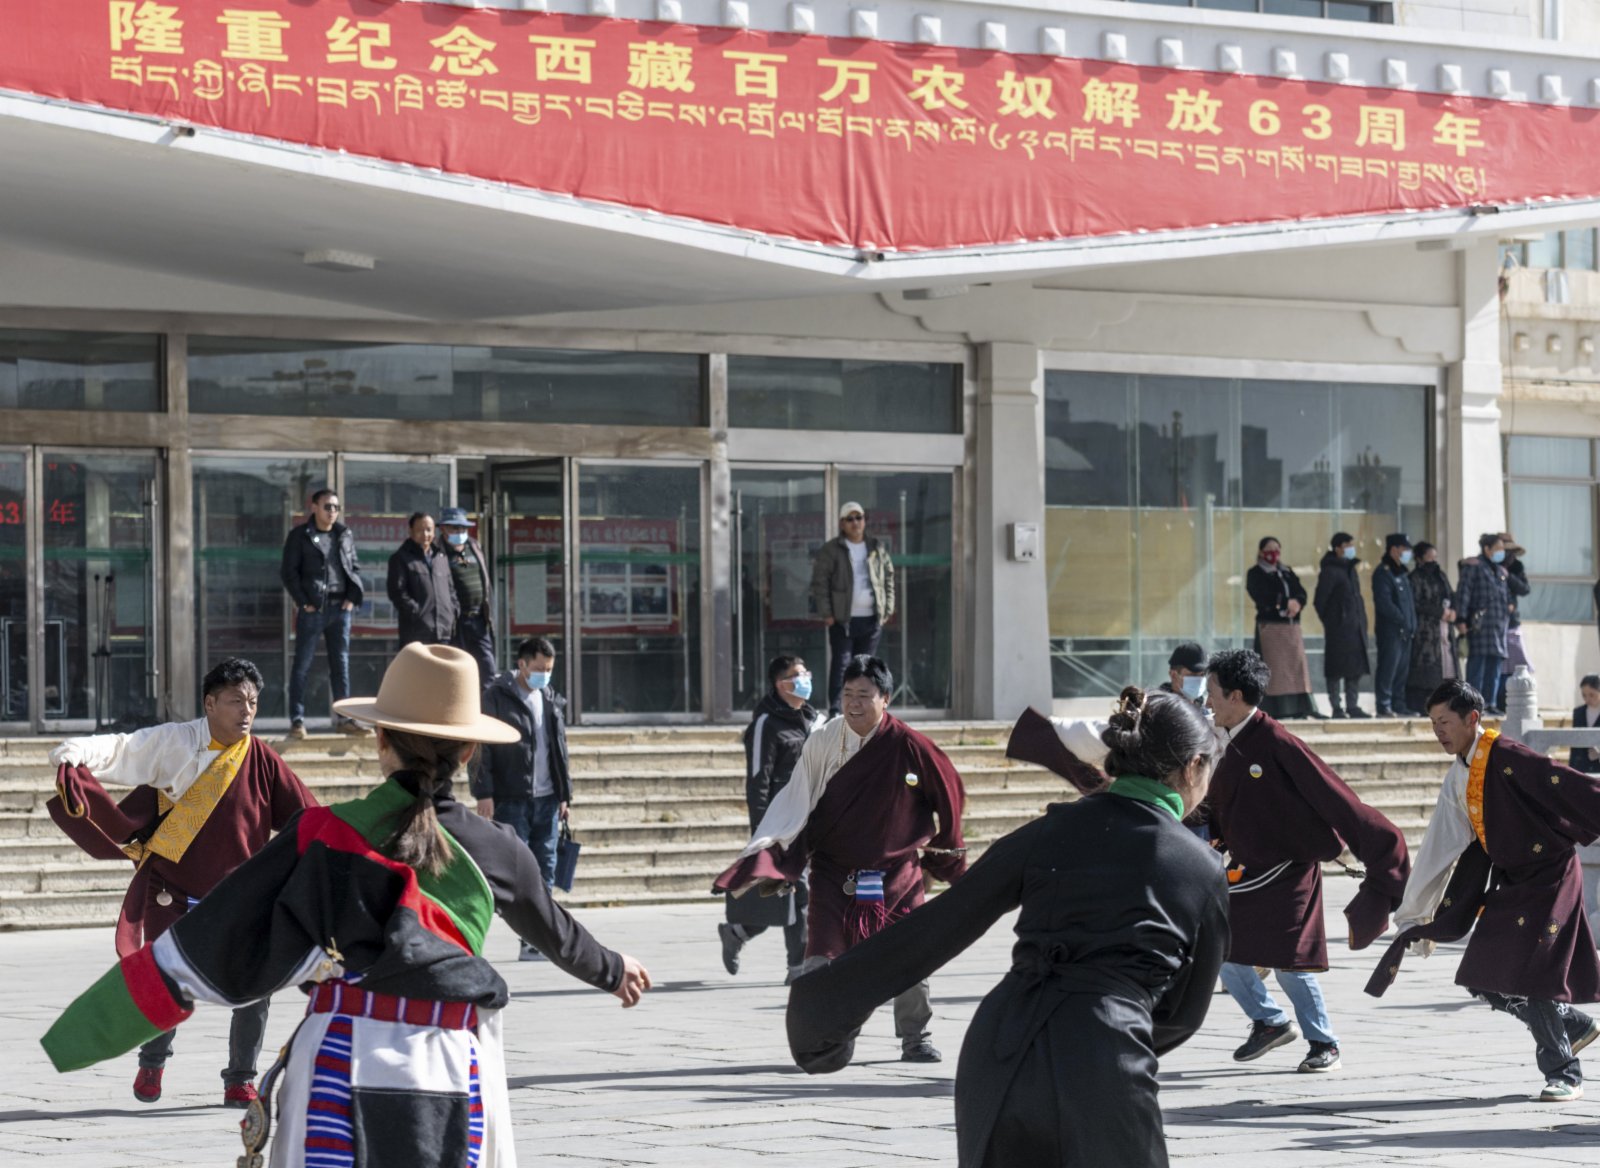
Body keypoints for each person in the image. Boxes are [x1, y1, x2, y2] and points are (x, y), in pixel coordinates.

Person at [42, 643, 652, 1167]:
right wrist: (614, 968)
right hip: (459, 1061)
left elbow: (206, 944)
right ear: (468, 753)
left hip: (335, 1059)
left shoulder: (324, 833)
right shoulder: (503, 852)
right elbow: (559, 935)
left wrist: (80, 1035)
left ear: (381, 740)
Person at [787, 687, 1228, 1167]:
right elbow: (1183, 1013)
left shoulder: (1048, 831)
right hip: (1106, 1054)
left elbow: (937, 927)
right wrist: (1100, 1029)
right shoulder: (1201, 868)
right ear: (1192, 767)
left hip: (999, 1045)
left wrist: (823, 1009)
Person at [44, 658, 315, 1107]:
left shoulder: (262, 758)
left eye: (252, 702)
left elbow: (305, 816)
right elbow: (123, 749)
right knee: (166, 979)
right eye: (234, 701)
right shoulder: (175, 742)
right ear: (209, 703)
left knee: (254, 987)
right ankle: (152, 1065)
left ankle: (240, 1079)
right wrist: (75, 752)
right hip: (172, 888)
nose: (246, 711)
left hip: (238, 893)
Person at [713, 655, 964, 1062]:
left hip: (896, 872)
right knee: (820, 958)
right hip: (835, 872)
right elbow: (797, 798)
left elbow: (948, 795)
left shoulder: (910, 746)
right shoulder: (825, 739)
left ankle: (915, 1037)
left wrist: (944, 856)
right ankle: (818, 1036)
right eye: (848, 694)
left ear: (886, 697)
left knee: (912, 958)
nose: (854, 703)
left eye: (864, 695)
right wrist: (774, 853)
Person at [1368, 680, 1600, 1102]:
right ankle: (1573, 1023)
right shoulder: (1459, 775)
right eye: (1433, 723)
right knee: (1482, 976)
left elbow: (1564, 784)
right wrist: (1415, 912)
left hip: (1551, 874)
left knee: (1536, 975)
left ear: (1472, 719)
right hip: (1512, 880)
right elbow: (1441, 843)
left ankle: (1564, 1070)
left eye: (1445, 722)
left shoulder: (1509, 757)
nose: (1439, 731)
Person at [1204, 648, 1409, 1073]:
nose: (1207, 702)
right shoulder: (1224, 741)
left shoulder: (1277, 741)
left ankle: (1324, 1042)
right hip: (1246, 869)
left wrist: (1379, 848)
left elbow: (1335, 798)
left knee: (1289, 961)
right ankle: (1269, 1021)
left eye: (1212, 693)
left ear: (1237, 696)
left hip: (1290, 869)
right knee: (1221, 947)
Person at [720, 655, 824, 983]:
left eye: (806, 672)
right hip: (784, 824)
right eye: (797, 675)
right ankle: (799, 969)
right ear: (782, 684)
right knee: (798, 891)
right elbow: (757, 779)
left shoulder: (814, 719)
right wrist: (763, 832)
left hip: (815, 820)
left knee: (781, 895)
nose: (805, 678)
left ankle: (737, 932)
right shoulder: (766, 723)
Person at [474, 637, 571, 961]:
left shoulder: (551, 698)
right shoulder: (497, 697)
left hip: (547, 798)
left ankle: (536, 939)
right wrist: (483, 792)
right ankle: (521, 932)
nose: (545, 675)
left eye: (549, 670)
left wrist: (564, 794)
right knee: (517, 870)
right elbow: (481, 747)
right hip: (511, 797)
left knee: (546, 868)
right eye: (540, 669)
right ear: (523, 665)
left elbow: (560, 750)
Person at [280, 488, 367, 738]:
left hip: (341, 610)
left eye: (336, 507)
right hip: (313, 610)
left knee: (341, 665)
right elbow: (289, 572)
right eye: (327, 506)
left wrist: (351, 599)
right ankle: (297, 721)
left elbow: (354, 567)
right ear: (314, 507)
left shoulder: (344, 534)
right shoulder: (300, 536)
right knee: (302, 666)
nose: (332, 512)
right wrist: (303, 601)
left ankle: (345, 719)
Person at [810, 502, 895, 717]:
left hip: (871, 618)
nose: (855, 522)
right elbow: (820, 583)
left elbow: (888, 578)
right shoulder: (831, 550)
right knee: (842, 665)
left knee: (866, 668)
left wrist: (887, 609)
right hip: (842, 619)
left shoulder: (876, 547)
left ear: (864, 520)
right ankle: (837, 710)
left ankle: (866, 709)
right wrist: (827, 613)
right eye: (850, 519)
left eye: (859, 517)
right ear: (842, 524)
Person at [1246, 536, 1317, 720]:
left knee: (1295, 669)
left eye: (1277, 549)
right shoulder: (1255, 573)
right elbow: (1262, 595)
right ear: (1261, 552)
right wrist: (1284, 602)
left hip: (1290, 627)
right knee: (1274, 671)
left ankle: (1300, 707)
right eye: (1269, 549)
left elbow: (1301, 592)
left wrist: (1297, 603)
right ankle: (1276, 709)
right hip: (1270, 628)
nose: (1274, 553)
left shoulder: (1286, 571)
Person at [438, 506, 497, 689]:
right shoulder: (438, 551)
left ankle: (488, 708)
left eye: (463, 528)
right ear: (443, 529)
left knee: (487, 667)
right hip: (457, 621)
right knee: (458, 668)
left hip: (479, 617)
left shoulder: (474, 546)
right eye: (455, 528)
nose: (459, 532)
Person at [1314, 532, 1371, 719]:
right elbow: (1320, 601)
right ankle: (1336, 707)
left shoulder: (1350, 570)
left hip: (1355, 627)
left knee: (1354, 669)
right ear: (1338, 548)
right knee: (1336, 669)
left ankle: (1352, 706)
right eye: (1348, 545)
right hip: (1338, 629)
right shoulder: (1330, 571)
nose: (1351, 549)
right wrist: (1333, 621)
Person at [1456, 532, 1514, 716]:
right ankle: (1473, 704)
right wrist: (1461, 619)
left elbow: (1506, 596)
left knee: (1495, 666)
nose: (1501, 553)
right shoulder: (1474, 567)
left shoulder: (1499, 571)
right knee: (1477, 666)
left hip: (1498, 627)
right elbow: (1463, 593)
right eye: (1498, 549)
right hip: (1479, 626)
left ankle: (1490, 702)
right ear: (1487, 549)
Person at [387, 511, 457, 648]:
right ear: (410, 531)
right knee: (417, 669)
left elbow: (451, 590)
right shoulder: (401, 558)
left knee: (441, 669)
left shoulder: (440, 557)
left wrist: (453, 611)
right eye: (420, 530)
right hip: (416, 632)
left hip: (443, 631)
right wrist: (416, 612)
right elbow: (397, 592)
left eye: (429, 530)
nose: (425, 534)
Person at [1405, 541, 1459, 716]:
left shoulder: (1441, 575)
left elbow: (1451, 594)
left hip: (1444, 628)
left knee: (1447, 667)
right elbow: (1416, 603)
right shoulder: (1415, 577)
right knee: (1426, 669)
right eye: (1429, 557)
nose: (1433, 561)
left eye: (1435, 557)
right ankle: (1423, 706)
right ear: (1420, 558)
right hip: (1426, 630)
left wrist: (1453, 612)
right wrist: (1438, 611)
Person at [1371, 532, 1419, 717]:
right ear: (1394, 549)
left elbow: (1409, 604)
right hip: (1391, 631)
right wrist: (1402, 620)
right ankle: (1383, 705)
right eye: (1404, 549)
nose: (1407, 553)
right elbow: (1385, 603)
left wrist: (1411, 624)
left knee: (1401, 671)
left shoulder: (1402, 573)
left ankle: (1399, 704)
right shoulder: (1383, 573)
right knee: (1388, 668)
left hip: (1406, 631)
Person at [1496, 534, 1534, 711]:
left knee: (1518, 661)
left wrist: (1509, 576)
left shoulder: (1516, 566)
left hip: (1511, 622)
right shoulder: (1490, 565)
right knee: (1498, 664)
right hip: (1494, 622)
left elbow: (1524, 588)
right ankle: (1496, 701)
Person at [1570, 674, 1600, 776]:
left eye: (1592, 695)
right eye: (1584, 695)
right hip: (1580, 769)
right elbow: (1574, 744)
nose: (1587, 699)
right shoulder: (1578, 712)